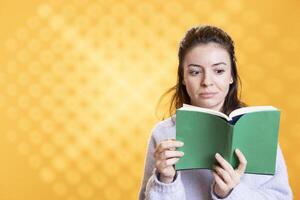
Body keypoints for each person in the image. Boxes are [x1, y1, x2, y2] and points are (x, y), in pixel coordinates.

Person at [138, 25, 293, 200]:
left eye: (219, 71)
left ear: (231, 76)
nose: (207, 82)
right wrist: (165, 181)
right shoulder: (163, 134)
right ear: (183, 77)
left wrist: (231, 193)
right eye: (195, 72)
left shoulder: (259, 129)